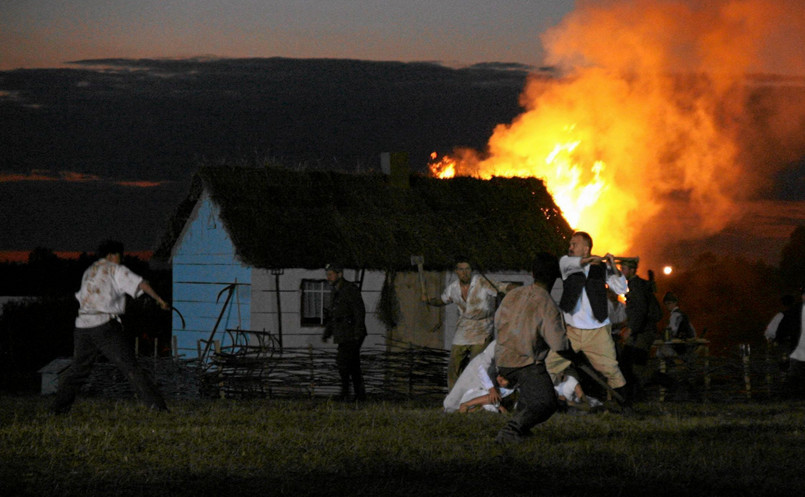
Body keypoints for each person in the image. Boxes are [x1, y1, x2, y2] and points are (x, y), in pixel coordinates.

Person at [50, 240, 170, 414]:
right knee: (130, 367)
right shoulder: (115, 269)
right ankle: (157, 407)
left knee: (78, 370)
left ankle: (58, 409)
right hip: (103, 325)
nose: (121, 259)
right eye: (120, 255)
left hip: (83, 325)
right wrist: (160, 300)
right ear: (112, 255)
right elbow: (141, 284)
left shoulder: (90, 271)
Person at [494, 252, 575, 444]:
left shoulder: (513, 295)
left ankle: (522, 431)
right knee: (545, 402)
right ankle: (511, 430)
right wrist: (573, 355)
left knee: (531, 393)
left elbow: (497, 321)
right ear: (556, 276)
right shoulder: (547, 304)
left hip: (503, 358)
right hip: (525, 362)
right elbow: (558, 344)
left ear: (532, 273)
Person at [545, 231, 631, 407]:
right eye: (570, 244)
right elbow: (573, 263)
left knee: (611, 369)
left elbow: (621, 289)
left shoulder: (601, 268)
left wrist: (613, 267)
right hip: (571, 332)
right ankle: (545, 402)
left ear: (586, 249)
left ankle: (624, 405)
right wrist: (590, 260)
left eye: (574, 244)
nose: (570, 247)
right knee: (550, 366)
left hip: (597, 332)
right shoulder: (567, 264)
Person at [423, 256, 506, 390]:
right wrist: (429, 301)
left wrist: (521, 291)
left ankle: (476, 393)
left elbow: (503, 287)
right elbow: (442, 300)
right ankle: (454, 394)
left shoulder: (481, 281)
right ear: (456, 271)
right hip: (464, 328)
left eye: (467, 269)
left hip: (483, 327)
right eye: (461, 269)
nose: (464, 272)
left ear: (471, 270)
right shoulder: (453, 288)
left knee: (476, 363)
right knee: (454, 364)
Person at [322, 263, 367, 401]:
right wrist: (327, 332)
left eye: (331, 274)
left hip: (351, 332)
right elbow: (334, 315)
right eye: (327, 275)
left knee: (344, 363)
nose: (328, 277)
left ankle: (347, 393)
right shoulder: (336, 291)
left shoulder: (350, 289)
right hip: (343, 333)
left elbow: (359, 310)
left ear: (339, 274)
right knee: (352, 364)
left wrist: (358, 331)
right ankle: (358, 394)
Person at [618, 259, 661, 400]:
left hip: (643, 332)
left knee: (637, 367)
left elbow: (640, 310)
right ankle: (633, 395)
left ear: (632, 270)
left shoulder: (636, 286)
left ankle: (670, 384)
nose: (622, 271)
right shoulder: (636, 285)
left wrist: (631, 329)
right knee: (627, 363)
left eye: (624, 269)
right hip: (641, 331)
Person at [443, 340, 514, 413]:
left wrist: (498, 405)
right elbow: (482, 366)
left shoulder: (508, 389)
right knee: (453, 401)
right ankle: (455, 407)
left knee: (489, 405)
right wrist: (491, 389)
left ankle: (468, 409)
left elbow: (492, 398)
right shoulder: (497, 344)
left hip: (493, 379)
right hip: (479, 370)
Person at [775, 285, 805, 397]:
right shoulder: (794, 311)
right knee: (797, 372)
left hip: (797, 347)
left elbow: (782, 330)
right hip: (798, 347)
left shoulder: (793, 311)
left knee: (797, 373)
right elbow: (783, 328)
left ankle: (795, 395)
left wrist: (779, 339)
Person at [656, 291, 697, 367]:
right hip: (688, 344)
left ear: (675, 303)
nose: (667, 306)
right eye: (666, 304)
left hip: (683, 345)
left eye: (669, 303)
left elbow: (672, 331)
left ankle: (679, 366)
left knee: (661, 350)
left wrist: (662, 336)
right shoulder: (682, 314)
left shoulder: (675, 315)